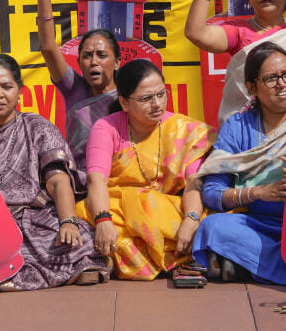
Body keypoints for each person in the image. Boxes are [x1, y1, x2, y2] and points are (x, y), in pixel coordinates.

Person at [0, 55, 108, 290]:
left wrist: (68, 221)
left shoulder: (36, 127)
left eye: (7, 87)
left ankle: (0, 277)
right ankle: (52, 273)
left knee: (84, 238)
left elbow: (58, 181)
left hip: (33, 219)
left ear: (19, 92)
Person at [75, 59, 213, 280]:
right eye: (146, 99)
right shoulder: (107, 128)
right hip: (116, 211)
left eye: (161, 94)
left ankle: (142, 257)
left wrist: (192, 218)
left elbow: (194, 182)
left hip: (166, 210)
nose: (157, 104)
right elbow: (96, 180)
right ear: (124, 103)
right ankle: (179, 258)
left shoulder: (182, 130)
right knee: (84, 216)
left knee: (211, 221)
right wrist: (103, 220)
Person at [191, 43, 286, 283]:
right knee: (212, 227)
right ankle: (285, 268)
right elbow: (212, 194)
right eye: (271, 79)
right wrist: (258, 192)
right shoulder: (237, 127)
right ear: (252, 87)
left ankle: (248, 266)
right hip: (256, 226)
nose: (282, 84)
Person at [36, 0, 121, 165]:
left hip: (121, 178)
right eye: (86, 55)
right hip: (81, 182)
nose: (93, 62)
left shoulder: (129, 95)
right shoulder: (74, 88)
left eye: (102, 55)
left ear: (117, 62)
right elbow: (47, 46)